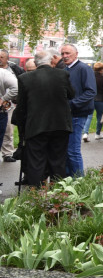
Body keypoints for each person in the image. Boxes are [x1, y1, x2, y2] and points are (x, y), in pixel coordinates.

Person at [11, 51, 74, 187]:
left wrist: (21, 127)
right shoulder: (62, 74)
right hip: (60, 125)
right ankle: (59, 194)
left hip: (36, 126)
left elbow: (22, 106)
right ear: (51, 61)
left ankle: (37, 195)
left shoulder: (25, 78)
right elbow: (71, 94)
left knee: (36, 162)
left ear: (35, 62)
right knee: (58, 161)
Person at [59, 44, 96, 177]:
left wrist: (72, 104)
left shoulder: (83, 69)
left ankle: (79, 181)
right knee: (66, 149)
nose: (65, 56)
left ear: (76, 53)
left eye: (67, 53)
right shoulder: (64, 69)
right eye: (62, 53)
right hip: (65, 115)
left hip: (77, 114)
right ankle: (69, 179)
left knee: (73, 150)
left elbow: (91, 91)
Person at [0, 62, 16, 160]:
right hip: (1, 110)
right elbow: (16, 88)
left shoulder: (6, 72)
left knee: (8, 131)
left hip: (3, 108)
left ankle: (7, 153)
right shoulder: (3, 73)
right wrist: (4, 98)